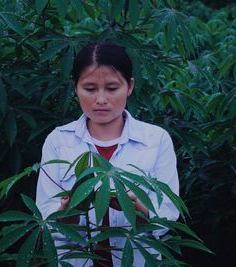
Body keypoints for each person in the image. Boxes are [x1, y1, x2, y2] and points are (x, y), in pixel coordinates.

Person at [36, 42, 180, 266]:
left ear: (130, 86)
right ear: (75, 88)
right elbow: (46, 219)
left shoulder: (156, 140)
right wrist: (67, 211)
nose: (101, 99)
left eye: (112, 88)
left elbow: (167, 217)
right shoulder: (58, 141)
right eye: (90, 89)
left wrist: (140, 212)